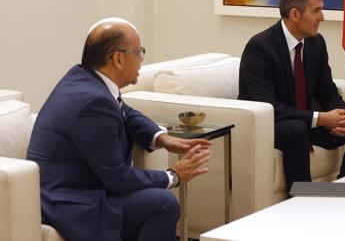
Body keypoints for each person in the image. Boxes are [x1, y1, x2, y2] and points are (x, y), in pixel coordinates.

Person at [26, 17, 211, 241]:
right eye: (139, 52)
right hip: (70, 202)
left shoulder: (84, 79)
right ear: (118, 59)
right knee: (163, 203)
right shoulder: (92, 102)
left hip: (76, 190)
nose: (142, 60)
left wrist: (161, 138)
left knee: (155, 201)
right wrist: (173, 175)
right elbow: (119, 179)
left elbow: (124, 111)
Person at [238, 0, 345, 189]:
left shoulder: (315, 42)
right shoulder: (260, 47)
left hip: (308, 122)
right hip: (275, 124)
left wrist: (343, 117)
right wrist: (321, 119)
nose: (322, 17)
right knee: (296, 129)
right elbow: (268, 107)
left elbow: (326, 89)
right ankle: (302, 199)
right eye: (316, 11)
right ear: (295, 14)